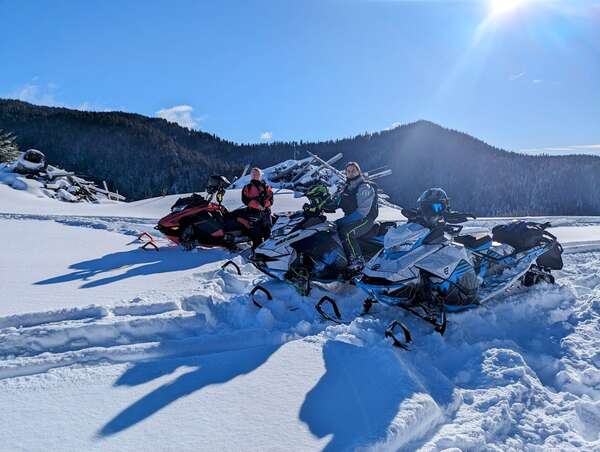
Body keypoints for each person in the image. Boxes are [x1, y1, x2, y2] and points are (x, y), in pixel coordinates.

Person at [329, 161, 378, 273]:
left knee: (346, 232)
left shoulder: (364, 187)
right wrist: (322, 208)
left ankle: (358, 262)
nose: (350, 173)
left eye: (353, 170)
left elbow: (363, 211)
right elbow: (337, 202)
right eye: (348, 171)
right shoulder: (347, 187)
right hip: (354, 218)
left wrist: (342, 221)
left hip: (365, 219)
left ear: (358, 172)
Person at [239, 167, 274, 248]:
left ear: (260, 175)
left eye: (257, 174)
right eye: (253, 173)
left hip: (266, 213)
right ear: (251, 175)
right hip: (253, 214)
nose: (255, 175)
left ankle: (268, 252)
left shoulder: (266, 186)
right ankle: (257, 254)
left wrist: (264, 205)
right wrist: (257, 205)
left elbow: (271, 199)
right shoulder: (247, 187)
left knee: (268, 234)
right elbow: (245, 199)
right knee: (256, 235)